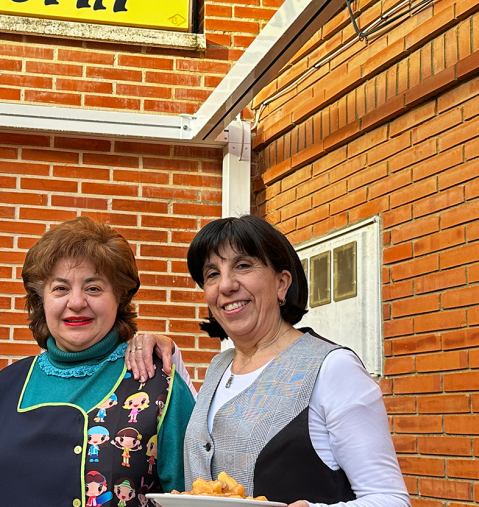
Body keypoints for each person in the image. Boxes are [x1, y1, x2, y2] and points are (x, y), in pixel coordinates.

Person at [133, 215, 410, 507]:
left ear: (282, 283)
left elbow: (390, 499)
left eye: (242, 266)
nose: (226, 285)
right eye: (212, 273)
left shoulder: (332, 368)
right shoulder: (219, 367)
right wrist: (164, 349)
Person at [0, 217, 196, 507]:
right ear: (40, 298)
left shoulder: (158, 385)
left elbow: (193, 497)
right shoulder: (1, 388)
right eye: (60, 288)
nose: (77, 301)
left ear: (119, 297)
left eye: (93, 288)